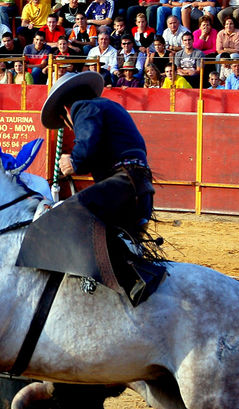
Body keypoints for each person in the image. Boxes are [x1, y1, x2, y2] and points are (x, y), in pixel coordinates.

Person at [40, 71, 156, 305]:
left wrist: (73, 161)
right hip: (137, 188)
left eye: (65, 122)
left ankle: (117, 277)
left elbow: (87, 148)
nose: (69, 126)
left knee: (66, 213)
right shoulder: (109, 107)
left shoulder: (83, 107)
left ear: (65, 111)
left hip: (123, 186)